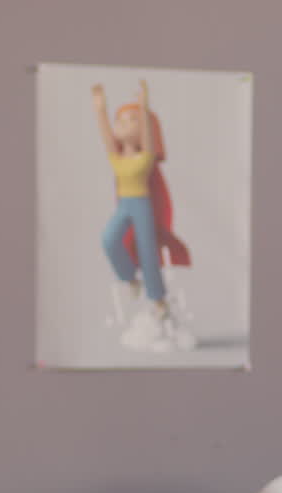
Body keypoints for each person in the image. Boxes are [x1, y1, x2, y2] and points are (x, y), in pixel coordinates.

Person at [92, 79, 194, 350]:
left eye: (132, 120)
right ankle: (130, 279)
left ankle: (158, 301)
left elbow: (148, 136)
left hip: (142, 206)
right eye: (120, 120)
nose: (123, 125)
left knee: (149, 255)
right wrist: (101, 109)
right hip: (124, 206)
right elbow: (105, 133)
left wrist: (145, 104)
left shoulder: (145, 157)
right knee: (109, 239)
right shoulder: (115, 156)